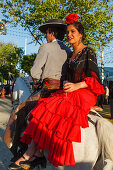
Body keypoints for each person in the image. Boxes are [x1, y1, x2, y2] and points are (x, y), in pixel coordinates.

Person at [8, 13, 105, 170]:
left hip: (85, 92)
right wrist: (67, 82)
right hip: (71, 90)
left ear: (81, 34)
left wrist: (76, 86)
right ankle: (37, 152)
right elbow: (68, 76)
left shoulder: (89, 51)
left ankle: (29, 152)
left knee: (51, 106)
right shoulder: (70, 55)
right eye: (67, 32)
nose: (69, 35)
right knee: (44, 106)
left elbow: (94, 79)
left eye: (73, 31)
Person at [4, 19, 71, 161]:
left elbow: (34, 73)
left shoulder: (45, 47)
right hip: (64, 91)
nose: (46, 36)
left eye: (47, 33)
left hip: (48, 89)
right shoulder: (69, 50)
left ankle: (18, 149)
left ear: (52, 33)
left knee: (20, 110)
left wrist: (42, 75)